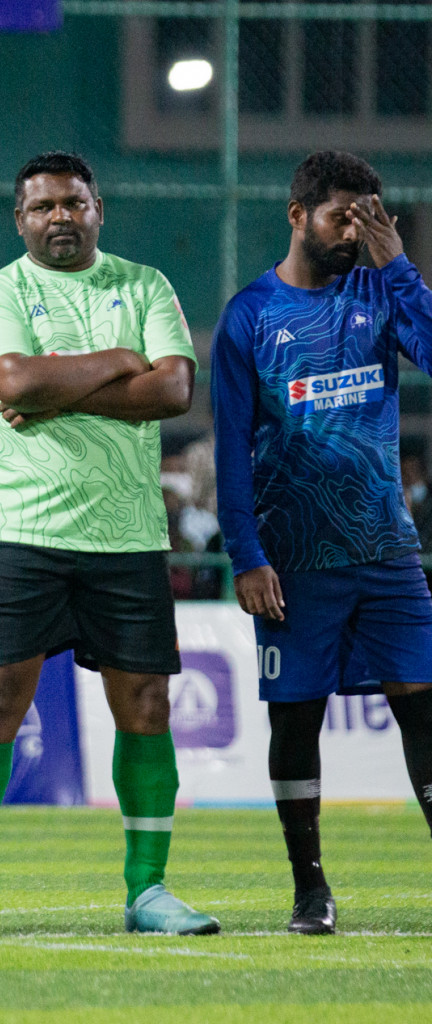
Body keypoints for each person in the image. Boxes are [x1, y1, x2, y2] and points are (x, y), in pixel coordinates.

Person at [0, 151, 216, 939]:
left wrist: (60, 382)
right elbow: (14, 383)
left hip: (127, 534)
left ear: (99, 208)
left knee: (147, 706)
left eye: (73, 203)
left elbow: (172, 391)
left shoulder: (146, 284)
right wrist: (119, 363)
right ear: (19, 218)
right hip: (18, 527)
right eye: (42, 207)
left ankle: (148, 893)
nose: (59, 216)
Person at [211, 150, 432, 935]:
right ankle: (311, 887)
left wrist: (399, 266)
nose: (356, 231)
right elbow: (230, 446)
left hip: (385, 549)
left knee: (425, 711)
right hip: (295, 561)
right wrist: (246, 554)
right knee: (295, 722)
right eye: (344, 215)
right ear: (298, 213)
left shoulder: (380, 289)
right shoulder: (249, 316)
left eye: (372, 216)